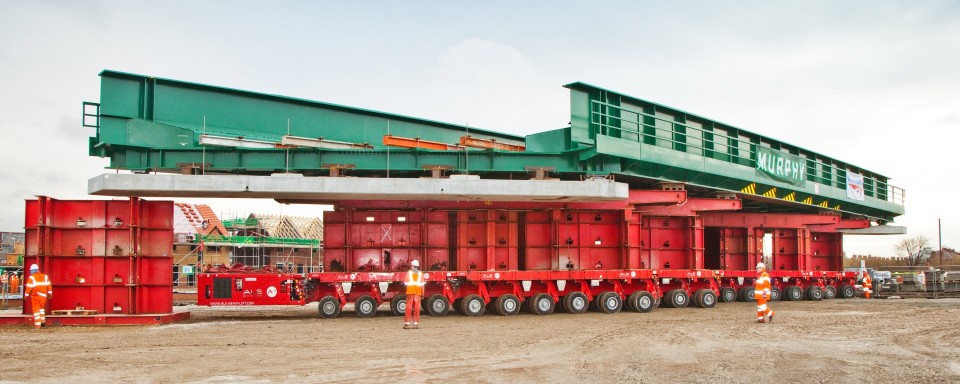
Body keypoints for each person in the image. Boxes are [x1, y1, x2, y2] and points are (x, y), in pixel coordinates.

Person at [25, 264, 53, 329]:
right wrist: (50, 294)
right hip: (43, 296)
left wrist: (26, 295)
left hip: (36, 296)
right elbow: (49, 286)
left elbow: (29, 287)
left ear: (32, 271)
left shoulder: (31, 277)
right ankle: (43, 322)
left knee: (36, 311)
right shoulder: (45, 277)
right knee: (41, 309)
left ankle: (38, 325)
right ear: (37, 270)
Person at [403, 260, 425, 329]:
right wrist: (422, 294)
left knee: (408, 308)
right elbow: (422, 285)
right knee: (417, 308)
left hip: (410, 292)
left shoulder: (409, 273)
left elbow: (405, 283)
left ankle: (407, 324)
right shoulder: (421, 274)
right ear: (418, 266)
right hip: (418, 293)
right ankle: (416, 324)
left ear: (412, 266)